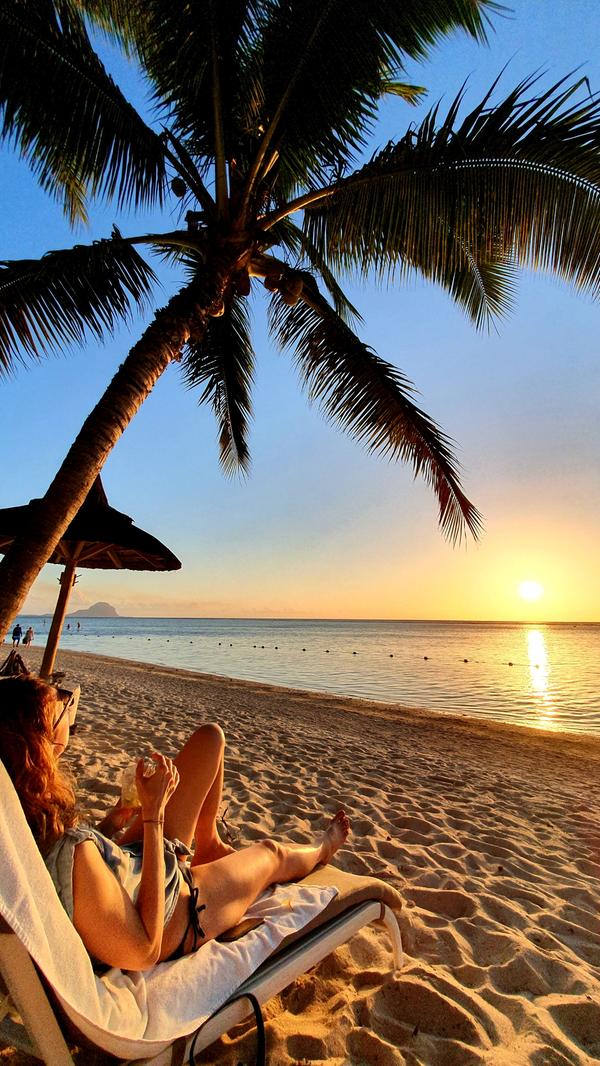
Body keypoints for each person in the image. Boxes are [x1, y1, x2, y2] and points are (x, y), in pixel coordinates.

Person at [0, 676, 350, 972]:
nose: (68, 712)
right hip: (175, 909)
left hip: (130, 872)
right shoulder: (68, 851)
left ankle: (208, 841)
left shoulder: (20, 818)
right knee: (271, 854)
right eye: (59, 710)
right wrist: (153, 815)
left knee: (210, 739)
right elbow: (144, 951)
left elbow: (72, 872)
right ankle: (322, 849)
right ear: (37, 743)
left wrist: (114, 819)